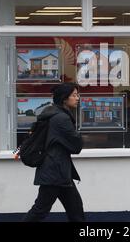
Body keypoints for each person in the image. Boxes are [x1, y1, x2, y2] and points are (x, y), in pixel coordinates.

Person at [23, 83, 85, 222]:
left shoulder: (51, 114)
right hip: (54, 172)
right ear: (64, 99)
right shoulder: (61, 119)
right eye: (74, 95)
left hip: (59, 171)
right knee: (40, 211)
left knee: (75, 210)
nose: (78, 98)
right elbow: (77, 146)